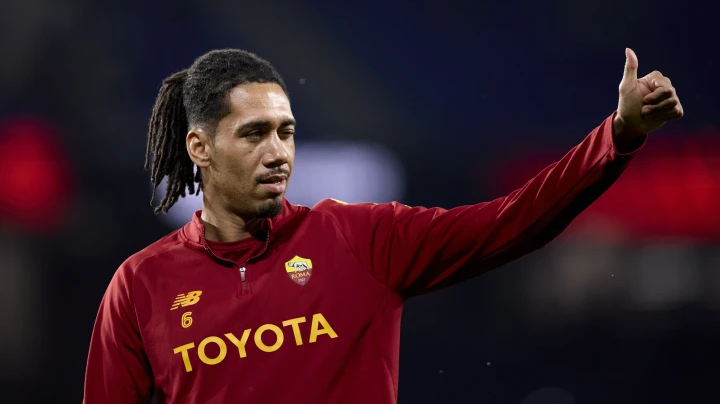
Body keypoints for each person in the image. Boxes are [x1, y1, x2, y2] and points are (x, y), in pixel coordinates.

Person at [82, 48, 683, 404]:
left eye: (286, 132)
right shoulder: (140, 286)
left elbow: (514, 220)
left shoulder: (357, 238)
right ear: (200, 148)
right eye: (254, 134)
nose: (278, 154)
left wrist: (618, 136)